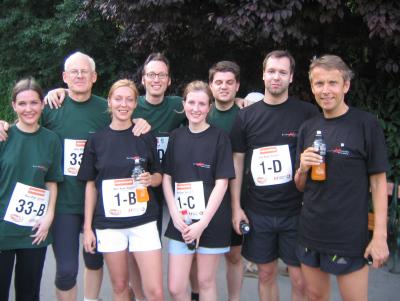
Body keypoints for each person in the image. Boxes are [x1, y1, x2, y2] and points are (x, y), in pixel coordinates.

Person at [294, 54, 389, 301]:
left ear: (346, 86)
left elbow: (378, 183)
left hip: (348, 234)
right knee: (314, 295)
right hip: (311, 230)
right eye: (319, 84)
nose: (325, 90)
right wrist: (302, 168)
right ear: (312, 87)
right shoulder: (308, 128)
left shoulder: (366, 125)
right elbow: (300, 186)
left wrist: (380, 236)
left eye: (332, 83)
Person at [230, 50, 319, 301]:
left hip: (297, 212)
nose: (276, 77)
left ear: (291, 77)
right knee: (266, 275)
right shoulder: (246, 116)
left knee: (300, 281)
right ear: (263, 75)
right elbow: (237, 162)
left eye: (282, 72)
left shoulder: (307, 114)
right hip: (258, 211)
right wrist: (236, 207)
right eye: (271, 71)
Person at [77, 79, 164, 301]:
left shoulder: (145, 135)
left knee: (154, 290)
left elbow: (159, 175)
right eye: (118, 98)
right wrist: (88, 228)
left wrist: (150, 179)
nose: (123, 104)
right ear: (109, 101)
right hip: (109, 224)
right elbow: (90, 185)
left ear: (136, 104)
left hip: (143, 221)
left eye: (129, 99)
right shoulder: (96, 140)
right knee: (120, 286)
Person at [163, 81, 235, 301]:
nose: (196, 108)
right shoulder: (176, 136)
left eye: (202, 103)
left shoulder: (220, 137)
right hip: (181, 221)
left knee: (205, 282)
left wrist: (202, 223)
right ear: (183, 104)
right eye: (191, 102)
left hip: (211, 220)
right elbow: (167, 178)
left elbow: (222, 183)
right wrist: (175, 216)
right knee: (176, 287)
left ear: (209, 107)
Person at [0, 78, 63, 301]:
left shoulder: (51, 140)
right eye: (22, 103)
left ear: (42, 105)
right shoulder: (3, 136)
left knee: (29, 294)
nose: (29, 109)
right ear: (13, 105)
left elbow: (52, 181)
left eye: (34, 103)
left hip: (34, 231)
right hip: (3, 230)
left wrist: (49, 216)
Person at [207, 60, 243, 301]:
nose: (224, 87)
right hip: (202, 195)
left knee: (234, 256)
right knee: (199, 256)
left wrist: (236, 204)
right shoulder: (197, 109)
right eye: (218, 82)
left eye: (229, 82)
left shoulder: (246, 115)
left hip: (235, 195)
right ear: (210, 85)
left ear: (237, 86)